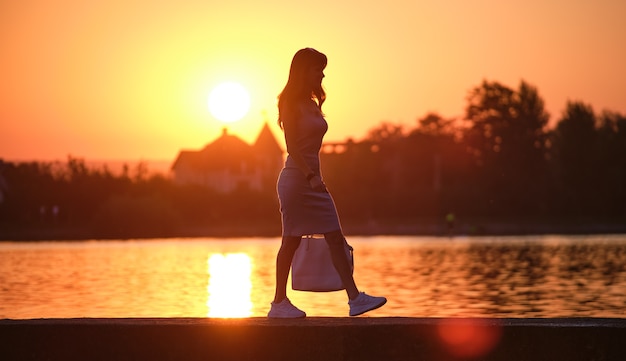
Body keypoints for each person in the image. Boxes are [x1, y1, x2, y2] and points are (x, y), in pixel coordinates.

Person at [268, 48, 387, 318]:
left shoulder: (311, 103)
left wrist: (316, 178)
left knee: (335, 237)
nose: (321, 74)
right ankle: (278, 303)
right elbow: (293, 148)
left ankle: (355, 298)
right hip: (297, 181)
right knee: (291, 241)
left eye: (322, 69)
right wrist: (310, 176)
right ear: (303, 70)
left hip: (312, 181)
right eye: (317, 68)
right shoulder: (289, 102)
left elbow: (311, 148)